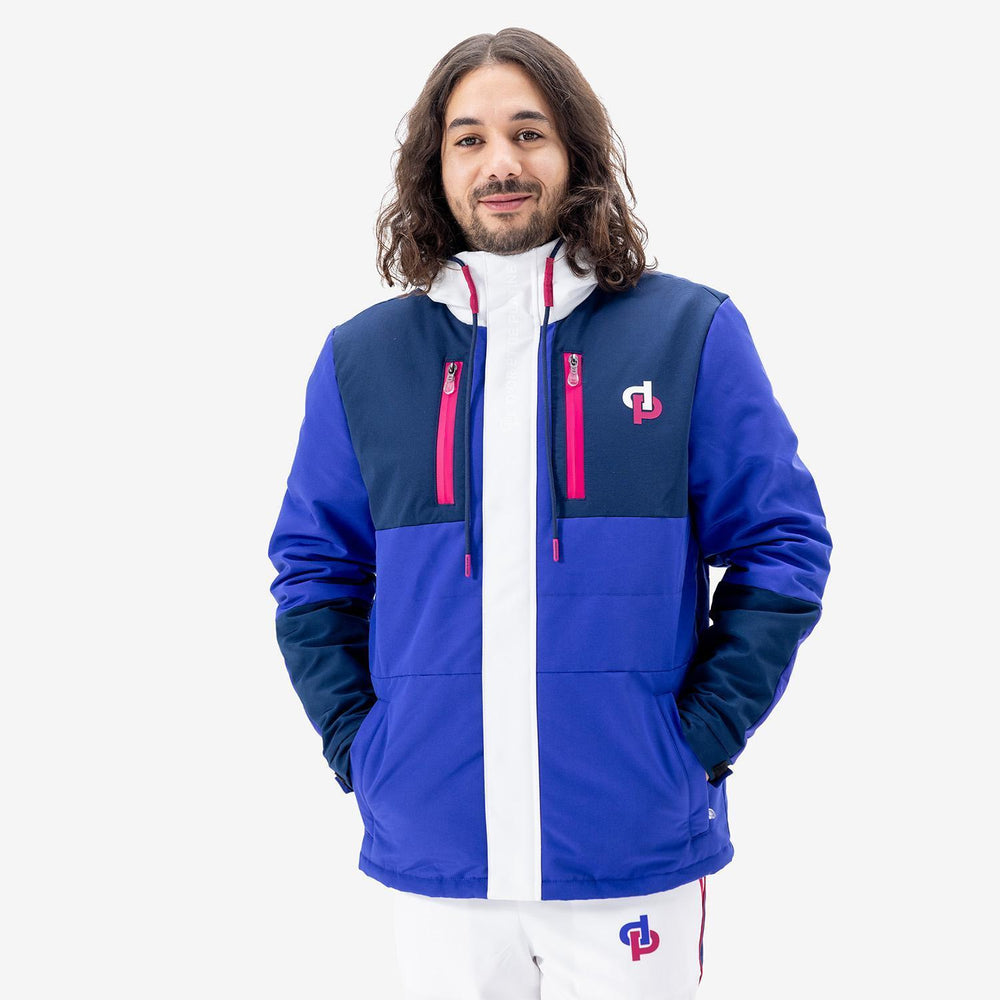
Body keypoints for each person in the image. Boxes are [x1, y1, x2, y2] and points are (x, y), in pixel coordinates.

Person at [267, 26, 832, 1000]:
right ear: (435, 165)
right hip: (438, 851)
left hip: (630, 847)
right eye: (470, 138)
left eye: (528, 133)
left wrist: (695, 743)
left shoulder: (686, 332)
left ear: (575, 152)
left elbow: (782, 546)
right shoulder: (364, 360)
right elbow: (314, 574)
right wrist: (367, 750)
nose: (501, 162)